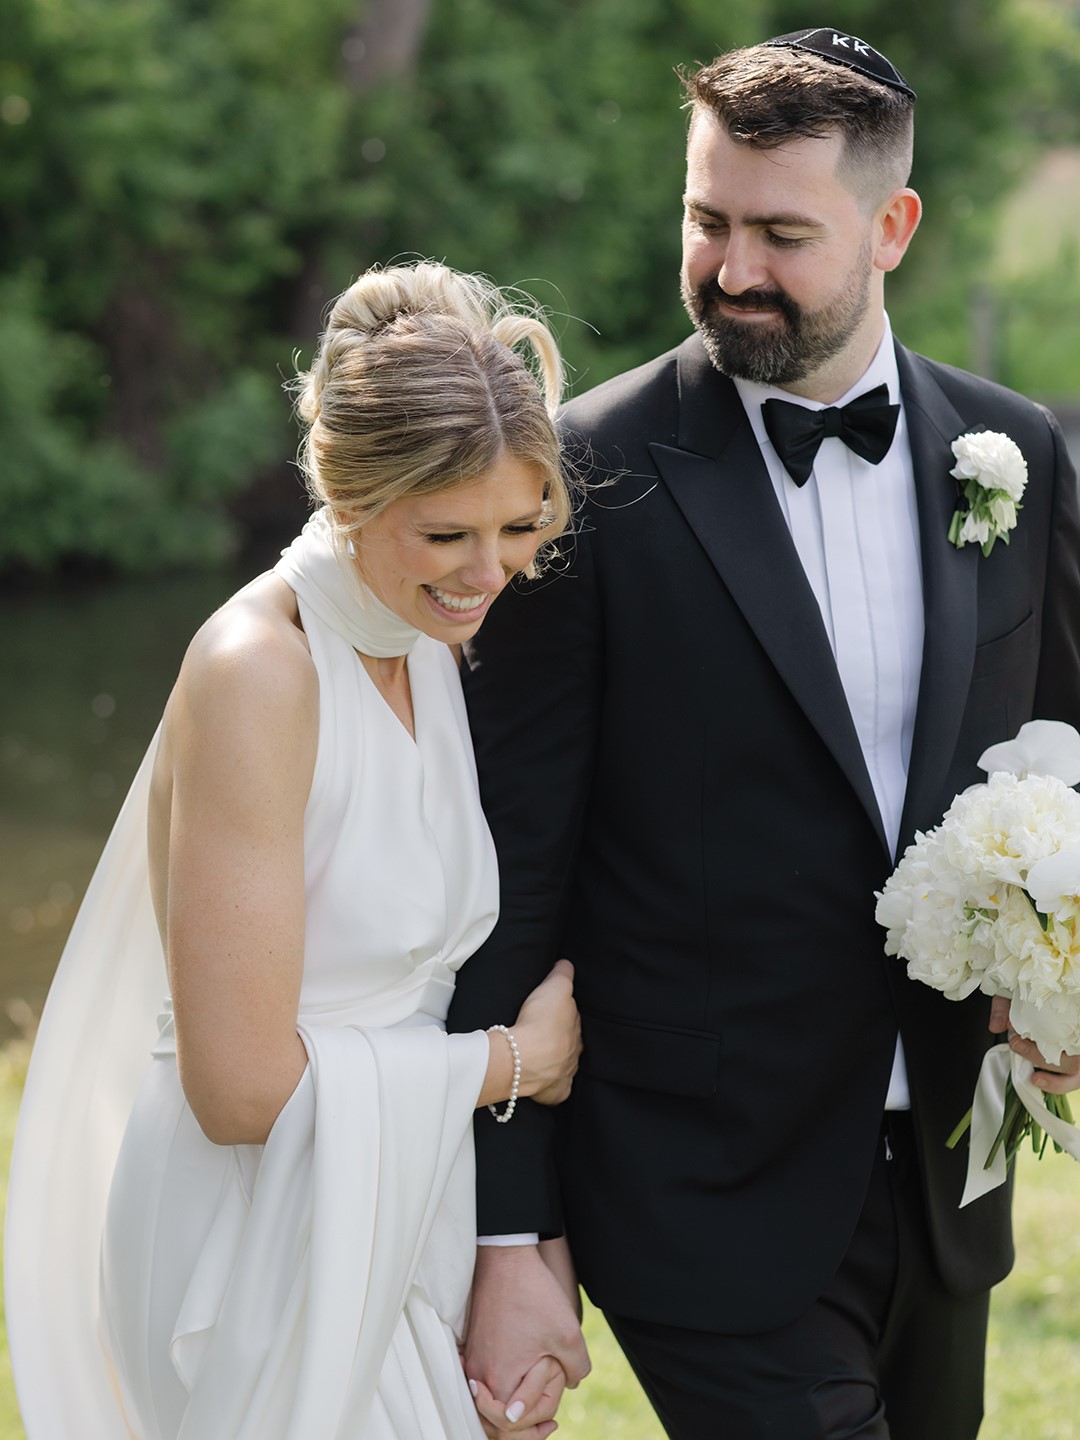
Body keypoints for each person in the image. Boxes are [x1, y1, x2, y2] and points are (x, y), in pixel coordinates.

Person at [446, 28, 1080, 1440]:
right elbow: (511, 877)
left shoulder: (1015, 452)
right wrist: (506, 1237)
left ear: (892, 226)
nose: (731, 269)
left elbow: (1063, 754)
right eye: (706, 220)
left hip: (953, 1184)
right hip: (698, 1193)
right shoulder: (581, 482)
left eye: (782, 233)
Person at [4, 260, 584, 1440]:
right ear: (349, 493)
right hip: (247, 1239)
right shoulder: (260, 673)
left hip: (385, 1198)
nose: (490, 573)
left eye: (519, 527)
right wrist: (510, 1064)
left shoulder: (424, 636)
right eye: (447, 534)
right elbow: (241, 1088)